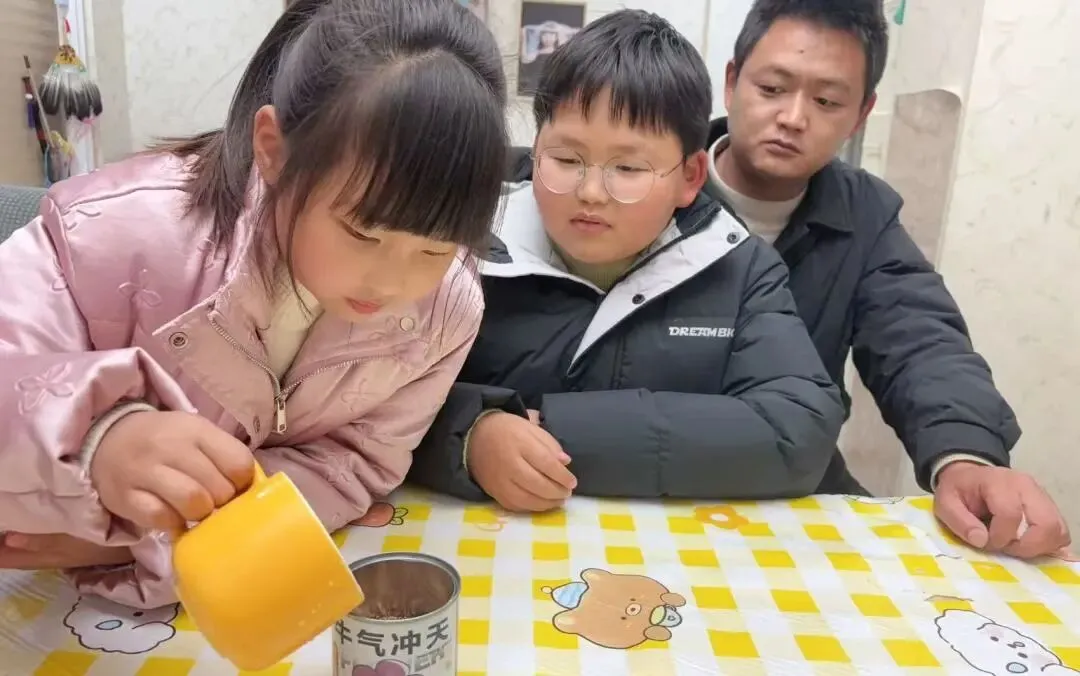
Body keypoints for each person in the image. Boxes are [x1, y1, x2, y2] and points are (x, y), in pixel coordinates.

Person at [0, 0, 507, 607]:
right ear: (273, 149)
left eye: (436, 247)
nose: (392, 282)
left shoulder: (446, 310)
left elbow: (354, 465)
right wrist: (97, 436)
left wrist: (147, 540)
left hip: (196, 602)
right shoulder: (111, 230)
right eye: (362, 233)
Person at [408, 9, 846, 511]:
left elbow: (798, 427)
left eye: (629, 168)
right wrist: (469, 435)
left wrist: (559, 432)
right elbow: (363, 393)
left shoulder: (740, 270)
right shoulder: (460, 241)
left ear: (690, 177)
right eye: (566, 159)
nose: (591, 191)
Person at [700, 0, 1065, 558]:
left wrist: (965, 454)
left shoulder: (864, 214)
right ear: (731, 83)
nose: (793, 117)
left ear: (861, 114)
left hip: (797, 485)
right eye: (772, 88)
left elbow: (920, 338)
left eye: (826, 101)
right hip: (654, 477)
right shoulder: (651, 184)